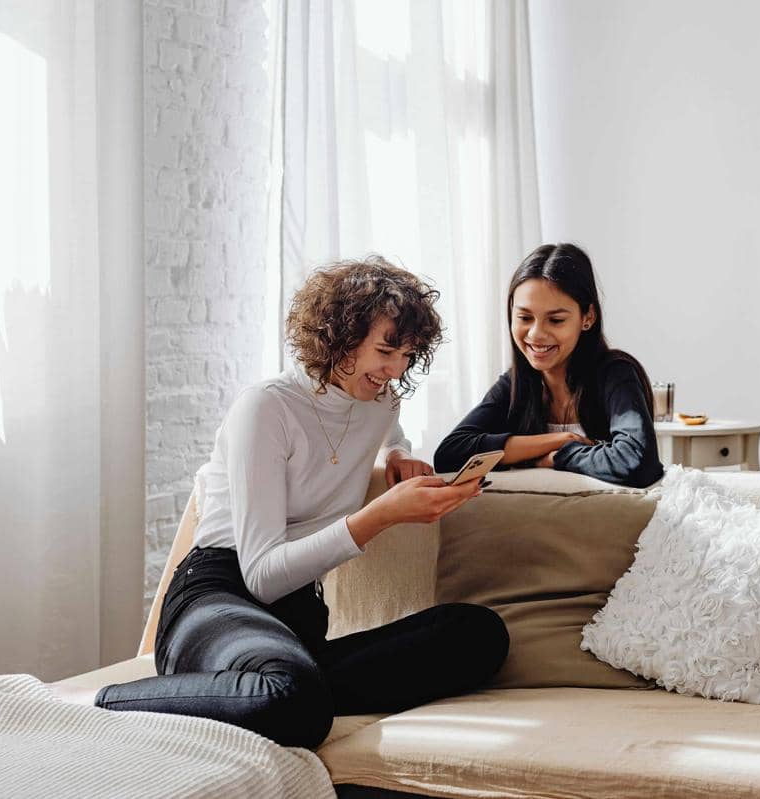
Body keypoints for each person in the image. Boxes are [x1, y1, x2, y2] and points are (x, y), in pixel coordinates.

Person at [95, 257, 509, 747]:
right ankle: (110, 701)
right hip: (220, 598)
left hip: (297, 621)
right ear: (340, 334)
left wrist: (397, 451)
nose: (396, 368)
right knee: (293, 697)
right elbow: (263, 576)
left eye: (408, 354)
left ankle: (277, 687)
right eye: (386, 350)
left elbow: (385, 424)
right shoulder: (267, 408)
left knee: (479, 634)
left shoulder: (380, 400)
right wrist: (380, 516)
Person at [434, 243, 663, 488]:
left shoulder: (614, 372)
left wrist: (560, 456)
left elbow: (637, 463)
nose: (536, 334)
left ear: (588, 318)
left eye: (555, 320)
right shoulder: (516, 383)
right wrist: (558, 440)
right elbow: (449, 454)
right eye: (524, 317)